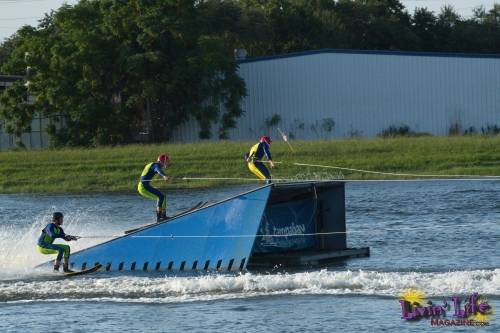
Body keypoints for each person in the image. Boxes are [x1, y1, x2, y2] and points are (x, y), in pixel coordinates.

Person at [138, 154, 171, 222]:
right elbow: (158, 170)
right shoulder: (156, 165)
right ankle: (159, 218)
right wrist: (164, 176)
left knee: (163, 197)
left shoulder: (154, 164)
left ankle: (163, 215)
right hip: (143, 187)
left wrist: (165, 176)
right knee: (160, 197)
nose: (168, 163)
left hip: (145, 186)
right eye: (167, 161)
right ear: (163, 161)